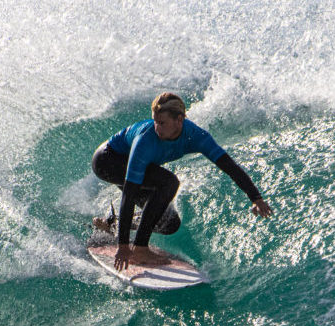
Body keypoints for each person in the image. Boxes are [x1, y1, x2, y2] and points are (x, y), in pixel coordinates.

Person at [91, 92, 272, 271]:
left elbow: (228, 165)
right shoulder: (145, 140)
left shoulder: (196, 136)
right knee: (169, 182)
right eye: (155, 121)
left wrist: (256, 198)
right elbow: (129, 194)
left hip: (134, 166)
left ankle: (111, 224)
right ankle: (140, 249)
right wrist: (123, 247)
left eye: (162, 123)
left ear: (179, 120)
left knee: (169, 223)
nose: (157, 128)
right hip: (108, 160)